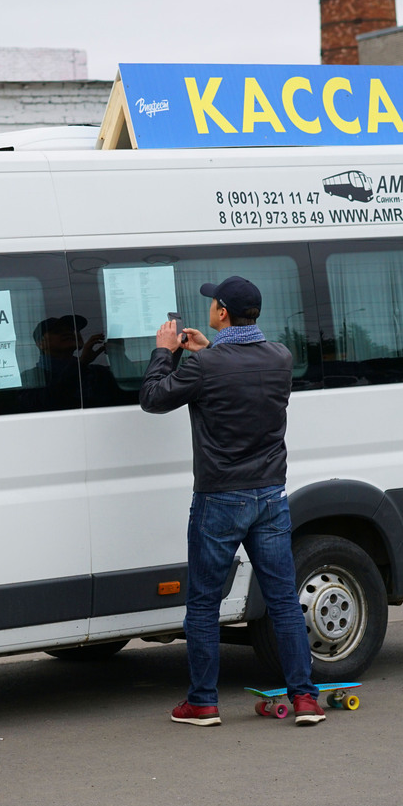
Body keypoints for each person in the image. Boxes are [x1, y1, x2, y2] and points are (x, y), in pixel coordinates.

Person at [139, 275, 325, 726]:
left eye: (212, 305)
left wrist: (165, 350)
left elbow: (153, 398)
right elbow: (237, 373)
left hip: (220, 498)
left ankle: (203, 702)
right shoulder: (281, 357)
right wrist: (208, 351)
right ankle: (305, 698)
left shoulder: (206, 367)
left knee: (204, 604)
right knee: (282, 599)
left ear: (222, 313)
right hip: (270, 497)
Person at [21, 315, 117, 410]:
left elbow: (127, 395)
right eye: (57, 331)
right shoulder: (30, 377)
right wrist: (81, 364)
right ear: (41, 343)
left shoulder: (98, 372)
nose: (68, 333)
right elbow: (43, 403)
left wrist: (118, 355)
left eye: (72, 330)